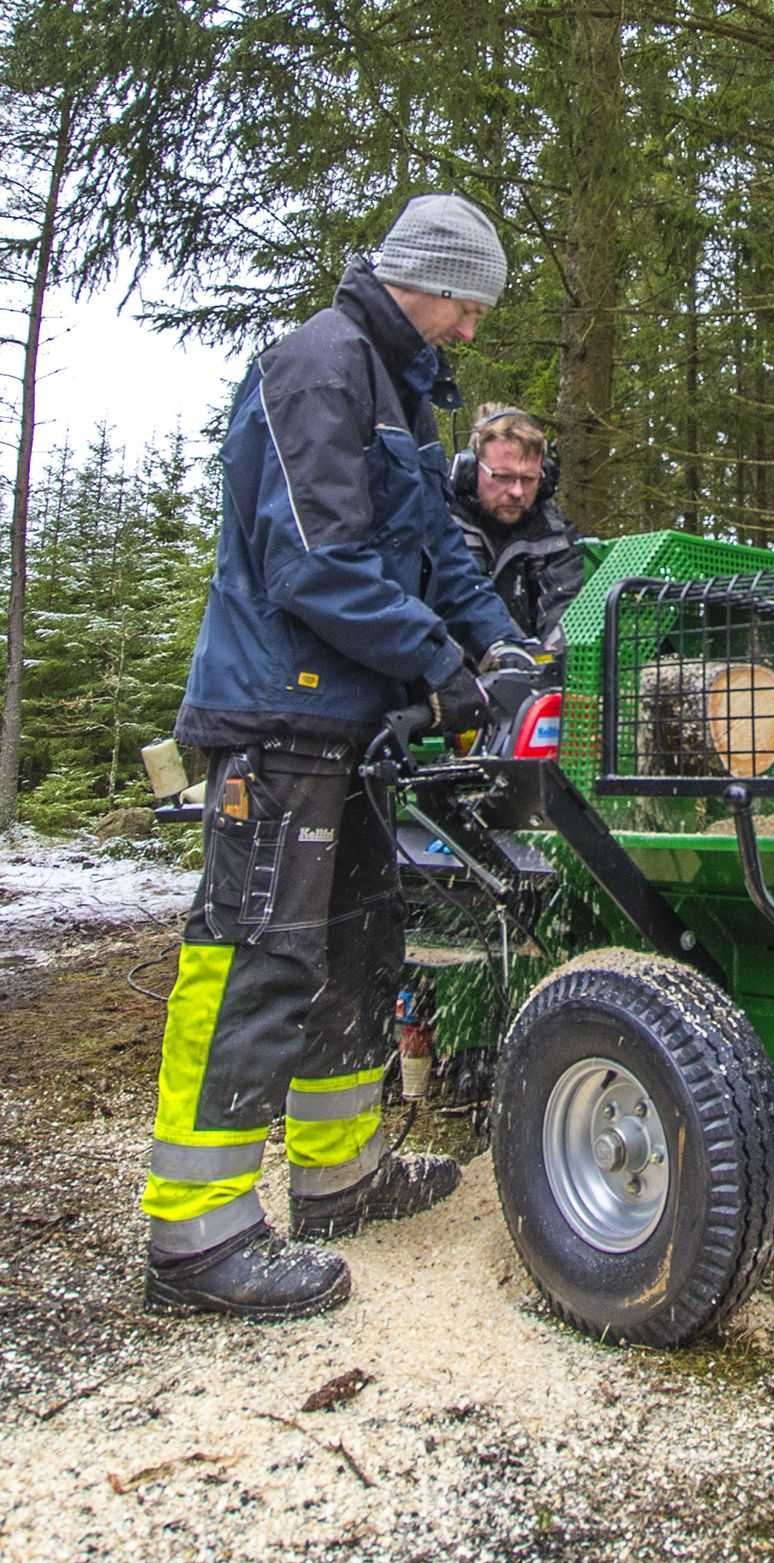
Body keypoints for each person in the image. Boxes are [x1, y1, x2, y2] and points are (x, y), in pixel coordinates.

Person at [142, 193, 531, 1321]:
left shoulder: (400, 391)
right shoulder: (319, 367)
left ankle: (339, 1176)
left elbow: (434, 557)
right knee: (256, 956)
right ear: (436, 279)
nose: (471, 329)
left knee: (361, 951)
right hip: (278, 718)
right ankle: (196, 1241)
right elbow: (312, 564)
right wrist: (437, 667)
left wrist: (498, 647)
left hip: (354, 727)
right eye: (469, 306)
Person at [444, 403, 585, 646]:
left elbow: (566, 607)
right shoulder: (440, 525)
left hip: (529, 673)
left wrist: (553, 663)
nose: (517, 492)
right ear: (471, 469)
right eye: (503, 477)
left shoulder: (555, 533)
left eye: (529, 479)